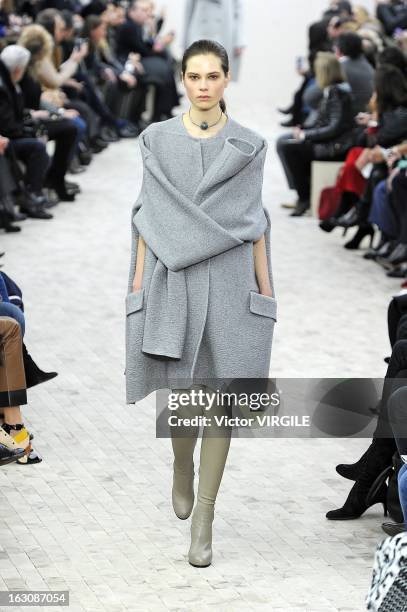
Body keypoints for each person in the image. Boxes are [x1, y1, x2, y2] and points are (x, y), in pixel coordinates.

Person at [125, 39, 277, 567]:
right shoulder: (156, 140)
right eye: (195, 76)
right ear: (183, 80)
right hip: (174, 276)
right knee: (183, 400)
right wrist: (139, 291)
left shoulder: (251, 144)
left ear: (227, 79)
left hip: (231, 279)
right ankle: (180, 466)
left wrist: (266, 293)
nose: (204, 85)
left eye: (213, 76)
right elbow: (147, 217)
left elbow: (253, 220)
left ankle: (206, 519)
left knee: (223, 403)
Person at [276, 51, 356, 217]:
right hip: (330, 141)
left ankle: (304, 195)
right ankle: (301, 191)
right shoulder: (334, 91)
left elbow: (334, 128)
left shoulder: (337, 93)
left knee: (288, 147)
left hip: (334, 146)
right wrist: (304, 130)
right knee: (285, 142)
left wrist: (306, 135)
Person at [0, 45, 52, 220]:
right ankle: (30, 196)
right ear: (17, 69)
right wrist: (28, 132)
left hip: (8, 135)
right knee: (37, 147)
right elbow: (8, 125)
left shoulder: (9, 83)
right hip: (6, 137)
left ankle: (29, 195)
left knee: (39, 138)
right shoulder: (4, 87)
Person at [115, 0, 179, 122]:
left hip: (138, 59)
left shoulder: (136, 25)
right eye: (144, 10)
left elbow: (146, 44)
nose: (147, 14)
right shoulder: (130, 27)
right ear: (132, 11)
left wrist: (157, 44)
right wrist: (160, 45)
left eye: (148, 11)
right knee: (162, 70)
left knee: (165, 67)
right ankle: (158, 113)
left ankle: (162, 111)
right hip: (129, 62)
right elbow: (143, 49)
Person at [183, 0, 247, 82]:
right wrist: (185, 43)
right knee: (198, 76)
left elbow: (239, 9)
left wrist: (239, 40)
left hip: (223, 32)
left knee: (218, 77)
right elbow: (188, 9)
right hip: (199, 31)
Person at [334, 31, 375, 115]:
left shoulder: (341, 67)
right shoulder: (365, 62)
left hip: (358, 113)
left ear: (339, 49)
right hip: (369, 109)